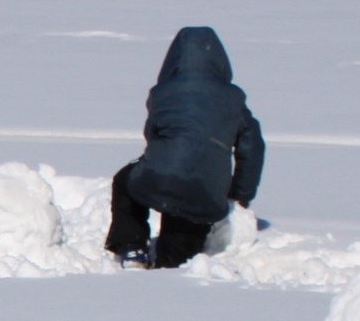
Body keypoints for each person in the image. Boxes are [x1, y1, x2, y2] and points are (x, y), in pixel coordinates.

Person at [103, 26, 265, 270]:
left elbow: (154, 138)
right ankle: (169, 260)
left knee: (126, 181)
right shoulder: (233, 99)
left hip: (159, 178)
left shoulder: (161, 93)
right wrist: (239, 197)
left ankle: (131, 248)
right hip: (205, 194)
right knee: (175, 263)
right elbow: (253, 149)